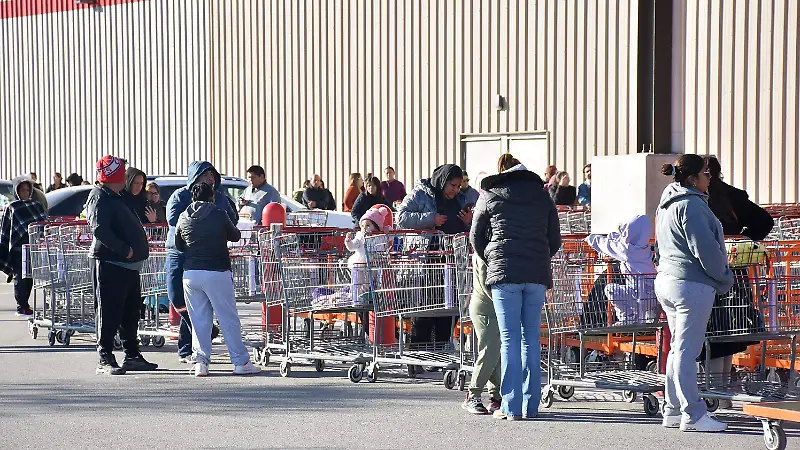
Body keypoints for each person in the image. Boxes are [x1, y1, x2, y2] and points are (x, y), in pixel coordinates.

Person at [470, 160, 561, 420]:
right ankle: (531, 406)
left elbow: (475, 237)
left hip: (503, 274)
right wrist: (539, 258)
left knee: (509, 339)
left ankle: (510, 407)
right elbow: (554, 239)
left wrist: (492, 257)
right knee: (530, 339)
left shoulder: (490, 195)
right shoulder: (544, 199)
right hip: (535, 275)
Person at [656, 154, 733, 432]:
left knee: (678, 349)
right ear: (692, 179)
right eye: (706, 173)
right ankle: (693, 414)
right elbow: (707, 251)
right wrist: (725, 277)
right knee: (687, 351)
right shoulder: (692, 206)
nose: (709, 177)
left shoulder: (668, 202)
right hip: (690, 284)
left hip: (668, 278)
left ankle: (673, 409)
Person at [700, 155, 774, 408]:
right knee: (730, 329)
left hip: (708, 270)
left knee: (710, 330)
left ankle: (714, 391)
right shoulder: (733, 195)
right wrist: (745, 239)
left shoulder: (700, 200)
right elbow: (765, 220)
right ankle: (722, 392)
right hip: (736, 270)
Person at [176, 182, 261, 377]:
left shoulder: (184, 216)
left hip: (191, 273)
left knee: (199, 320)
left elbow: (179, 245)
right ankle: (240, 362)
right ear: (212, 196)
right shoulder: (219, 213)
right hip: (217, 270)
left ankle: (201, 363)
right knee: (227, 318)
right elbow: (235, 235)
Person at [86, 155, 158, 375]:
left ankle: (132, 354)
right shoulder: (100, 196)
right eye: (123, 173)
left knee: (130, 312)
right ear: (114, 176)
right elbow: (99, 229)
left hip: (127, 267)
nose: (126, 177)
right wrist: (124, 250)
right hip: (110, 263)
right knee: (109, 311)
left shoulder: (115, 196)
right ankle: (104, 356)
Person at [396, 164, 472, 369]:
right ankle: (416, 355)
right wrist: (431, 219)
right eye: (452, 185)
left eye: (458, 186)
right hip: (427, 261)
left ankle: (441, 354)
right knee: (426, 309)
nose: (455, 190)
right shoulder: (421, 194)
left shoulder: (460, 199)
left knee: (449, 309)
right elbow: (401, 217)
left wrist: (468, 223)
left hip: (452, 260)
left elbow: (467, 227)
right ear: (442, 181)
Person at [166, 161, 238, 363]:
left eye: (213, 174)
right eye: (206, 174)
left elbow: (233, 221)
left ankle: (189, 351)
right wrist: (200, 213)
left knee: (201, 307)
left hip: (208, 256)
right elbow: (173, 220)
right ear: (195, 176)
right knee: (177, 298)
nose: (211, 178)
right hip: (178, 252)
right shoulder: (179, 196)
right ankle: (205, 336)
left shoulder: (221, 198)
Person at [585, 215, 658, 324]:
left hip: (638, 297)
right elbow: (620, 242)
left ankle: (627, 317)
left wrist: (590, 238)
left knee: (610, 289)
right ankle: (646, 318)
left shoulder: (627, 250)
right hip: (654, 296)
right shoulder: (644, 247)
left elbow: (606, 245)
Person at [462, 228, 502, 415]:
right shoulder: (484, 252)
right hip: (486, 307)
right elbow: (487, 284)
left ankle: (495, 396)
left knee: (496, 353)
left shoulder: (491, 249)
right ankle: (473, 394)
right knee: (489, 352)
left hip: (491, 306)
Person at [0, 178, 48, 317]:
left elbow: (43, 223)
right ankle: (21, 305)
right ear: (17, 191)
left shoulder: (36, 205)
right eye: (22, 190)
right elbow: (6, 230)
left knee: (30, 277)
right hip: (18, 248)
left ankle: (25, 304)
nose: (25, 193)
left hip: (33, 247)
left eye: (28, 190)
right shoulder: (12, 207)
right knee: (20, 276)